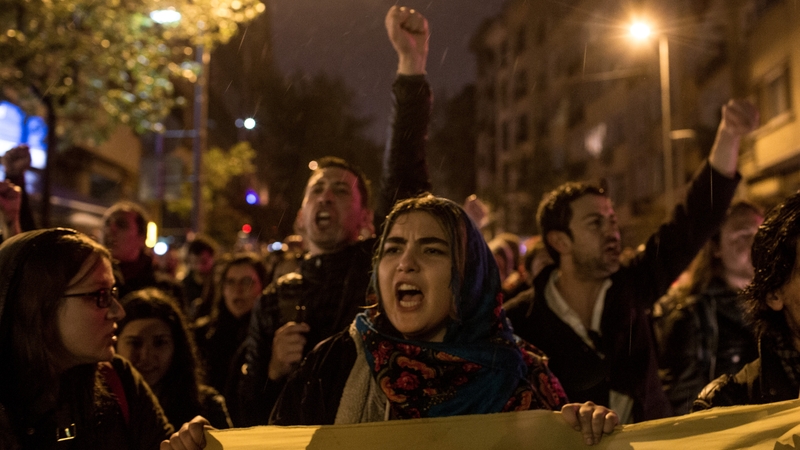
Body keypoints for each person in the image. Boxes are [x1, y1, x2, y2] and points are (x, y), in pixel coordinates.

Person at [162, 195, 619, 449]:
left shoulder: (525, 380)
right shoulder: (335, 362)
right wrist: (210, 448)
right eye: (393, 248)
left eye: (433, 249)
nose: (406, 263)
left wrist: (588, 433)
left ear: (469, 274)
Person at [504, 99, 757, 422]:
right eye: (595, 223)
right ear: (559, 241)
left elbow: (694, 220)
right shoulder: (519, 322)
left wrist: (729, 134)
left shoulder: (634, 285)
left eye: (612, 220)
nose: (612, 231)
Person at [239, 4, 433, 425]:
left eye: (341, 191)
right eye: (317, 191)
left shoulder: (379, 271)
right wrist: (272, 369)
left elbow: (405, 176)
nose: (326, 198)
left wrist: (411, 65)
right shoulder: (276, 300)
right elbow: (243, 407)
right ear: (301, 216)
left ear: (367, 218)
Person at [0, 228, 172, 449]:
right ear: (40, 305)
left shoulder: (117, 379)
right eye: (99, 295)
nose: (118, 311)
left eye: (113, 292)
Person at [653, 201, 763, 415]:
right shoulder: (692, 314)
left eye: (761, 233)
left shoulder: (779, 303)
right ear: (716, 248)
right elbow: (685, 399)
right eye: (742, 236)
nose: (755, 243)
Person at [693, 192, 800, 410]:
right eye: (742, 236)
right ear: (773, 295)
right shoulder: (726, 404)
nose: (751, 244)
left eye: (756, 234)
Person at [116, 288, 232, 430]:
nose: (146, 355)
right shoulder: (105, 409)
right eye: (135, 343)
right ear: (115, 342)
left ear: (177, 346)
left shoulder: (206, 406)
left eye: (159, 343)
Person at [194, 252, 268, 422]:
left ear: (263, 286)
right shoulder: (202, 335)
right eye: (230, 282)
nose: (238, 290)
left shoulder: (268, 339)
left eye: (247, 282)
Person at [101, 201, 184, 302]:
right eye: (107, 223)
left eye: (121, 224)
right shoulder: (90, 284)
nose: (110, 229)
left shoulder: (166, 290)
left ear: (142, 238)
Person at [181, 236, 218, 321]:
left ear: (213, 258)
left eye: (204, 262)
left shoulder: (219, 283)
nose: (199, 267)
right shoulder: (184, 285)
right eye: (195, 262)